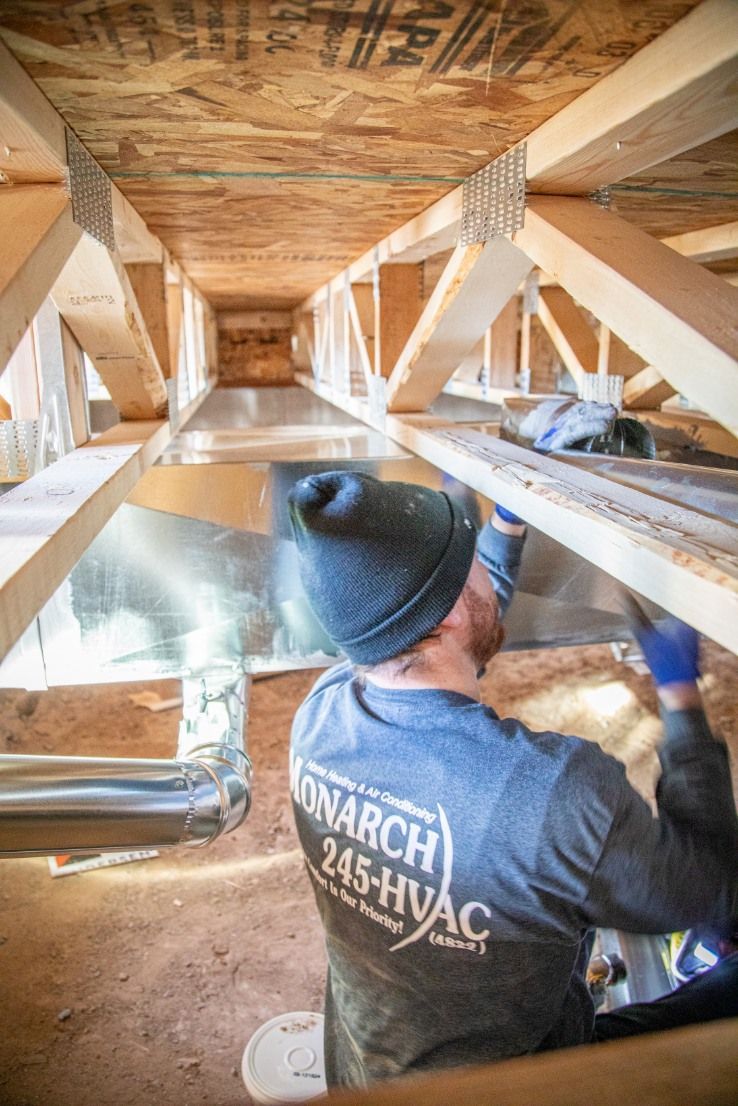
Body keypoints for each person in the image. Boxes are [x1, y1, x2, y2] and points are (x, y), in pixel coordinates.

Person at [286, 469, 738, 1089]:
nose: (483, 569)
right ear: (448, 613)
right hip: (513, 1089)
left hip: (366, 1079)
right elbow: (709, 888)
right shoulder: (551, 791)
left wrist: (509, 518)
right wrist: (682, 702)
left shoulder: (321, 712)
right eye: (470, 558)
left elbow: (458, 614)